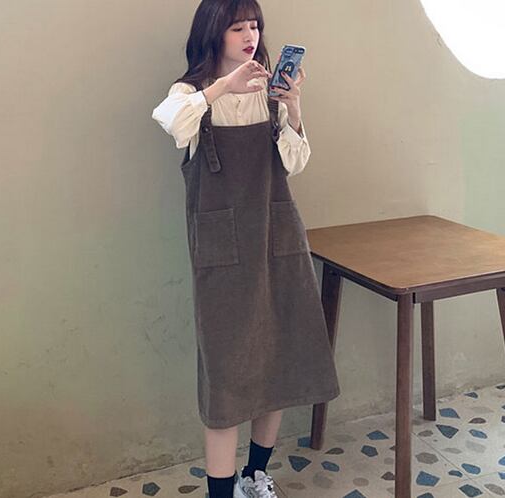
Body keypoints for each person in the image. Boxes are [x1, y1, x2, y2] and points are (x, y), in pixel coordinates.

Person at [151, 1, 340, 496]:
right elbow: (171, 121)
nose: (249, 35)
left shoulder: (268, 93)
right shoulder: (191, 95)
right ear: (214, 32)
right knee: (226, 378)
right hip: (223, 255)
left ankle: (256, 476)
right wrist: (222, 88)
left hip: (278, 242)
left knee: (277, 363)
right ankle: (221, 491)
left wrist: (293, 105)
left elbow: (295, 164)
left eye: (254, 26)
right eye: (237, 27)